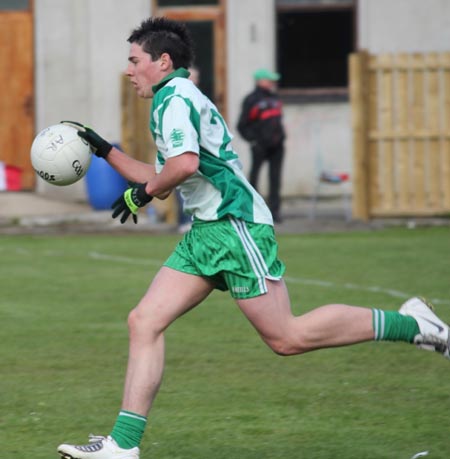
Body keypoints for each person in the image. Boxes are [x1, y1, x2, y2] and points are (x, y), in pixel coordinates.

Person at [57, 17, 449, 459]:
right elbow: (166, 175)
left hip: (233, 225)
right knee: (144, 321)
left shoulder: (175, 100)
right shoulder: (173, 98)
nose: (128, 71)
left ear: (162, 62)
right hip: (209, 231)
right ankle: (123, 446)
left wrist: (142, 194)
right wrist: (105, 151)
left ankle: (415, 325)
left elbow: (179, 168)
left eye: (134, 61)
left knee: (287, 338)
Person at [237, 68, 285, 222]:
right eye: (269, 80)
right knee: (255, 177)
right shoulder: (251, 99)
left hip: (277, 146)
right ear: (260, 81)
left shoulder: (275, 98)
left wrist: (281, 136)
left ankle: (274, 212)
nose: (272, 83)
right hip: (260, 145)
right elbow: (242, 125)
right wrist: (254, 140)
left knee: (275, 178)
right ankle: (252, 210)